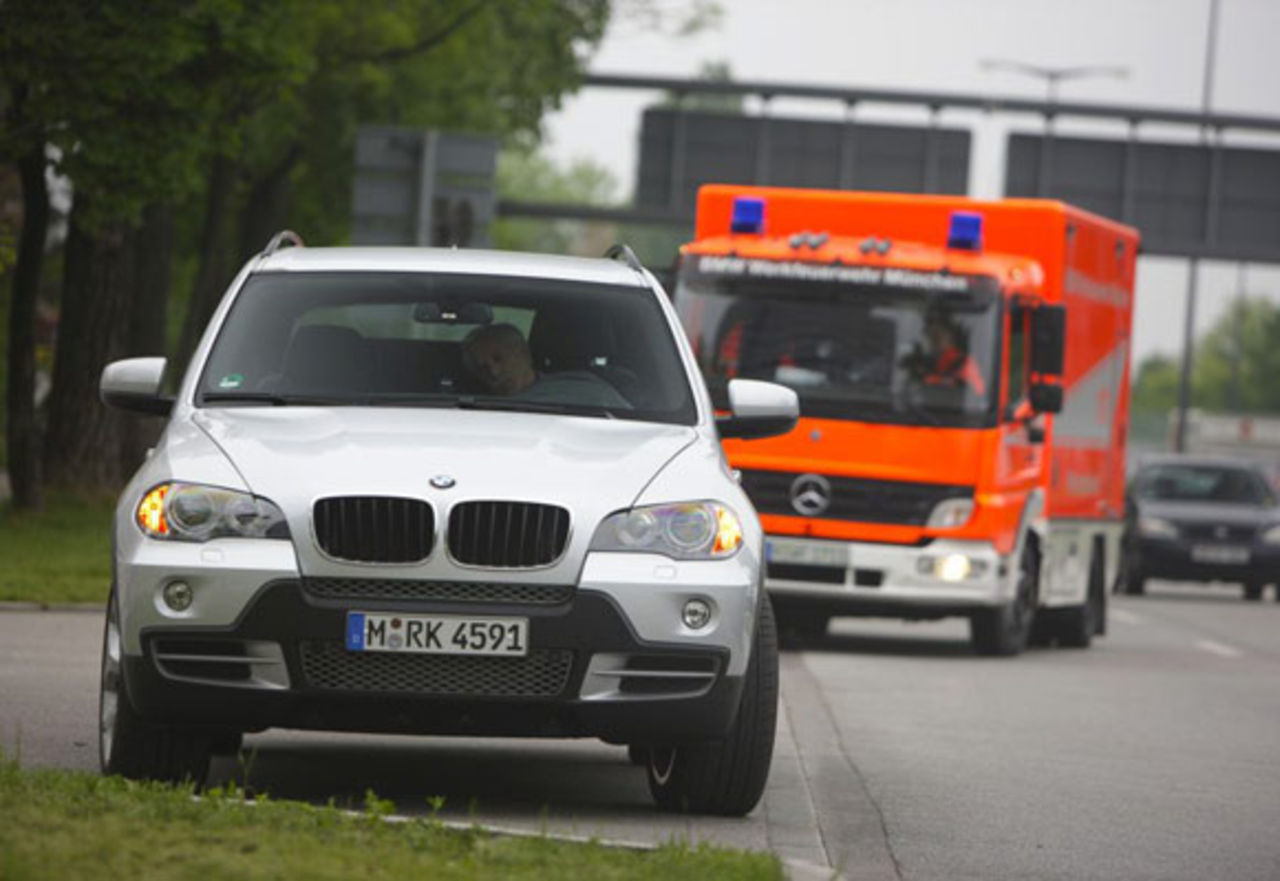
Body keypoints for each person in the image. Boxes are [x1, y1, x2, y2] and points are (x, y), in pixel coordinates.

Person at [461, 322, 632, 408]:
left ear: (524, 355)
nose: (494, 372)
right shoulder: (468, 409)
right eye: (482, 368)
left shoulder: (583, 388)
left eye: (499, 358)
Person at [903, 310, 986, 397]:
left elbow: (978, 392)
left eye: (938, 336)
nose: (933, 341)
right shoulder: (927, 361)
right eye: (930, 336)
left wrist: (928, 378)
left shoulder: (963, 363)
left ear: (951, 338)